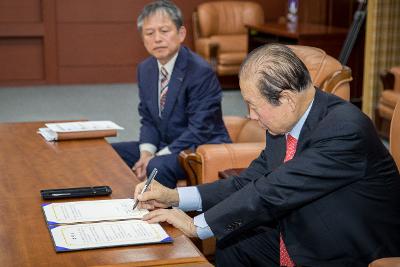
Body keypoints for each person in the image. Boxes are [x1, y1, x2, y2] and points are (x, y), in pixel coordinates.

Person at [134, 43, 400, 266]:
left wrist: (197, 226)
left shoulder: (345, 129)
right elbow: (248, 181)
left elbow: (274, 190)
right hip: (302, 227)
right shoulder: (285, 122)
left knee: (229, 235)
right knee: (234, 244)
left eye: (252, 105)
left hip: (347, 246)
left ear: (286, 99)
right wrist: (174, 196)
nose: (250, 115)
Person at [112, 0, 231, 188]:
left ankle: (164, 215)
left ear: (181, 33)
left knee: (158, 166)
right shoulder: (145, 69)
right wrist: (145, 153)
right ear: (143, 39)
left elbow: (200, 130)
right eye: (149, 33)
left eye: (164, 31)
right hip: (166, 144)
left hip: (200, 147)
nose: (157, 38)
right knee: (111, 152)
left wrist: (155, 157)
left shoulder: (200, 71)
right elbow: (149, 119)